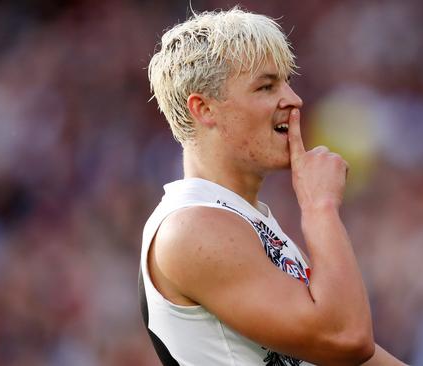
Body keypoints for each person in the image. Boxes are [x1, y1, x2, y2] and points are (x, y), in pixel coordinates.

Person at [140, 7, 406, 366]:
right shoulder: (192, 227)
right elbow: (348, 338)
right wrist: (319, 206)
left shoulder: (244, 220)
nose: (293, 99)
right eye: (266, 86)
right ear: (204, 109)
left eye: (286, 82)